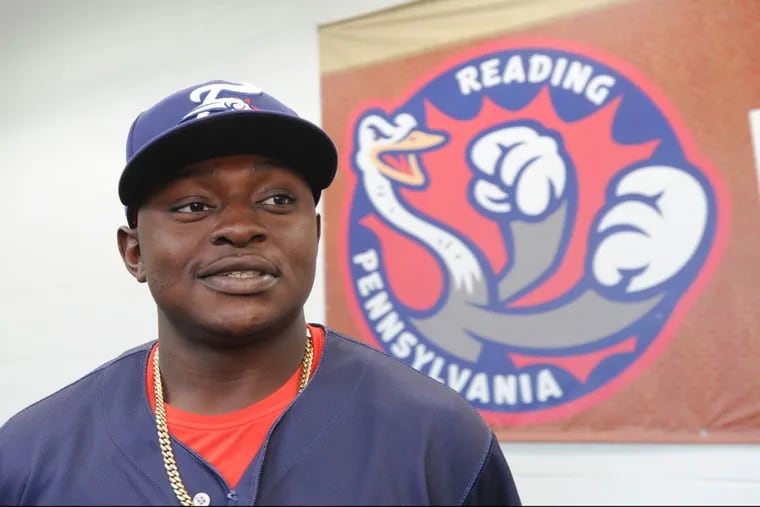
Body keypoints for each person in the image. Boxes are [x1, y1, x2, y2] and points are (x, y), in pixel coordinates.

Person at [0, 79, 522, 506]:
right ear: (134, 251)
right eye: (193, 206)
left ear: (315, 233)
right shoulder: (30, 457)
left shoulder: (438, 439)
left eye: (276, 200)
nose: (240, 227)